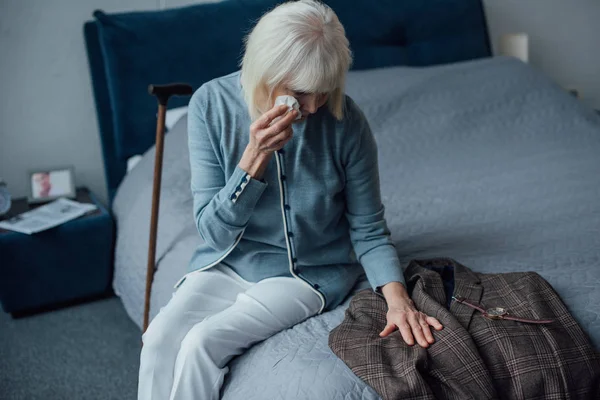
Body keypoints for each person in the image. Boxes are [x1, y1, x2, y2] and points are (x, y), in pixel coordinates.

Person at [138, 1, 443, 399]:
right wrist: (253, 159)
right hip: (228, 263)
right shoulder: (210, 106)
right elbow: (212, 233)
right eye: (301, 92)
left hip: (306, 274)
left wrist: (398, 300)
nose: (315, 106)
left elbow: (367, 229)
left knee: (202, 343)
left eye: (324, 91)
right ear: (266, 73)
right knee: (159, 339)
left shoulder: (346, 123)